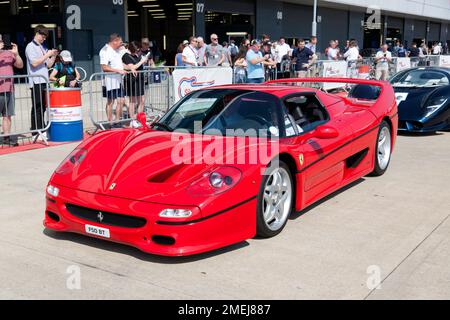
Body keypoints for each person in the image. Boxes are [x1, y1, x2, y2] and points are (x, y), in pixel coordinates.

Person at [25, 25, 58, 138]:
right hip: (36, 80)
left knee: (43, 107)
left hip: (44, 80)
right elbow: (34, 63)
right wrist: (47, 55)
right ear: (37, 34)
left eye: (45, 38)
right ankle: (35, 131)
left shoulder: (42, 47)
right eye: (43, 37)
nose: (43, 39)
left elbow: (48, 64)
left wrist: (53, 56)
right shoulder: (30, 47)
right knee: (37, 106)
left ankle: (42, 128)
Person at [0, 34, 24, 146]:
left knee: (7, 115)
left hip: (9, 89)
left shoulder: (9, 53)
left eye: (1, 39)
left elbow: (20, 65)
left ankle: (6, 138)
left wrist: (17, 54)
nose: (1, 42)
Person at [99, 33, 127, 124]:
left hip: (118, 80)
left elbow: (119, 64)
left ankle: (117, 120)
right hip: (109, 81)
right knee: (110, 102)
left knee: (121, 100)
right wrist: (118, 71)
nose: (122, 44)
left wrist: (131, 68)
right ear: (115, 41)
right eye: (120, 42)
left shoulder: (116, 50)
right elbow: (104, 67)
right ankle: (110, 122)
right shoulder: (105, 50)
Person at [122, 41, 149, 127]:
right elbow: (132, 67)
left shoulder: (137, 55)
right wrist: (142, 61)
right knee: (132, 101)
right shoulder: (126, 56)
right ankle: (132, 120)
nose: (138, 51)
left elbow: (138, 65)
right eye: (137, 49)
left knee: (142, 100)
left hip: (139, 79)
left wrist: (143, 61)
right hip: (131, 80)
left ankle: (139, 118)